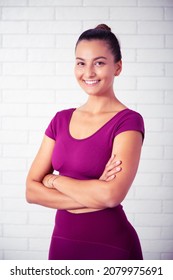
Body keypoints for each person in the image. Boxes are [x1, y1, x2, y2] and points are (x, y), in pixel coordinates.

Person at [26, 24, 145, 260]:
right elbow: (31, 191)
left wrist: (53, 180)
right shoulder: (60, 120)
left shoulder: (128, 122)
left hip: (112, 246)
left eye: (99, 63)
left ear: (118, 67)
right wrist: (92, 193)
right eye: (81, 63)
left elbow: (111, 196)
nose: (88, 72)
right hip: (62, 244)